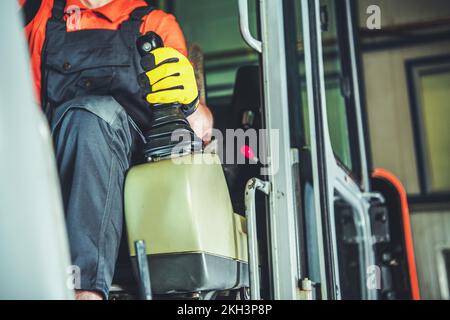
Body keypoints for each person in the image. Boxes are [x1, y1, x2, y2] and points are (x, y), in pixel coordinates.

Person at [20, 0, 213, 300]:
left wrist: (188, 104)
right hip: (57, 164)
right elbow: (24, 116)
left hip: (136, 173)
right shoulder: (43, 14)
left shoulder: (154, 23)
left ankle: (84, 292)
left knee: (91, 117)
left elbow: (198, 130)